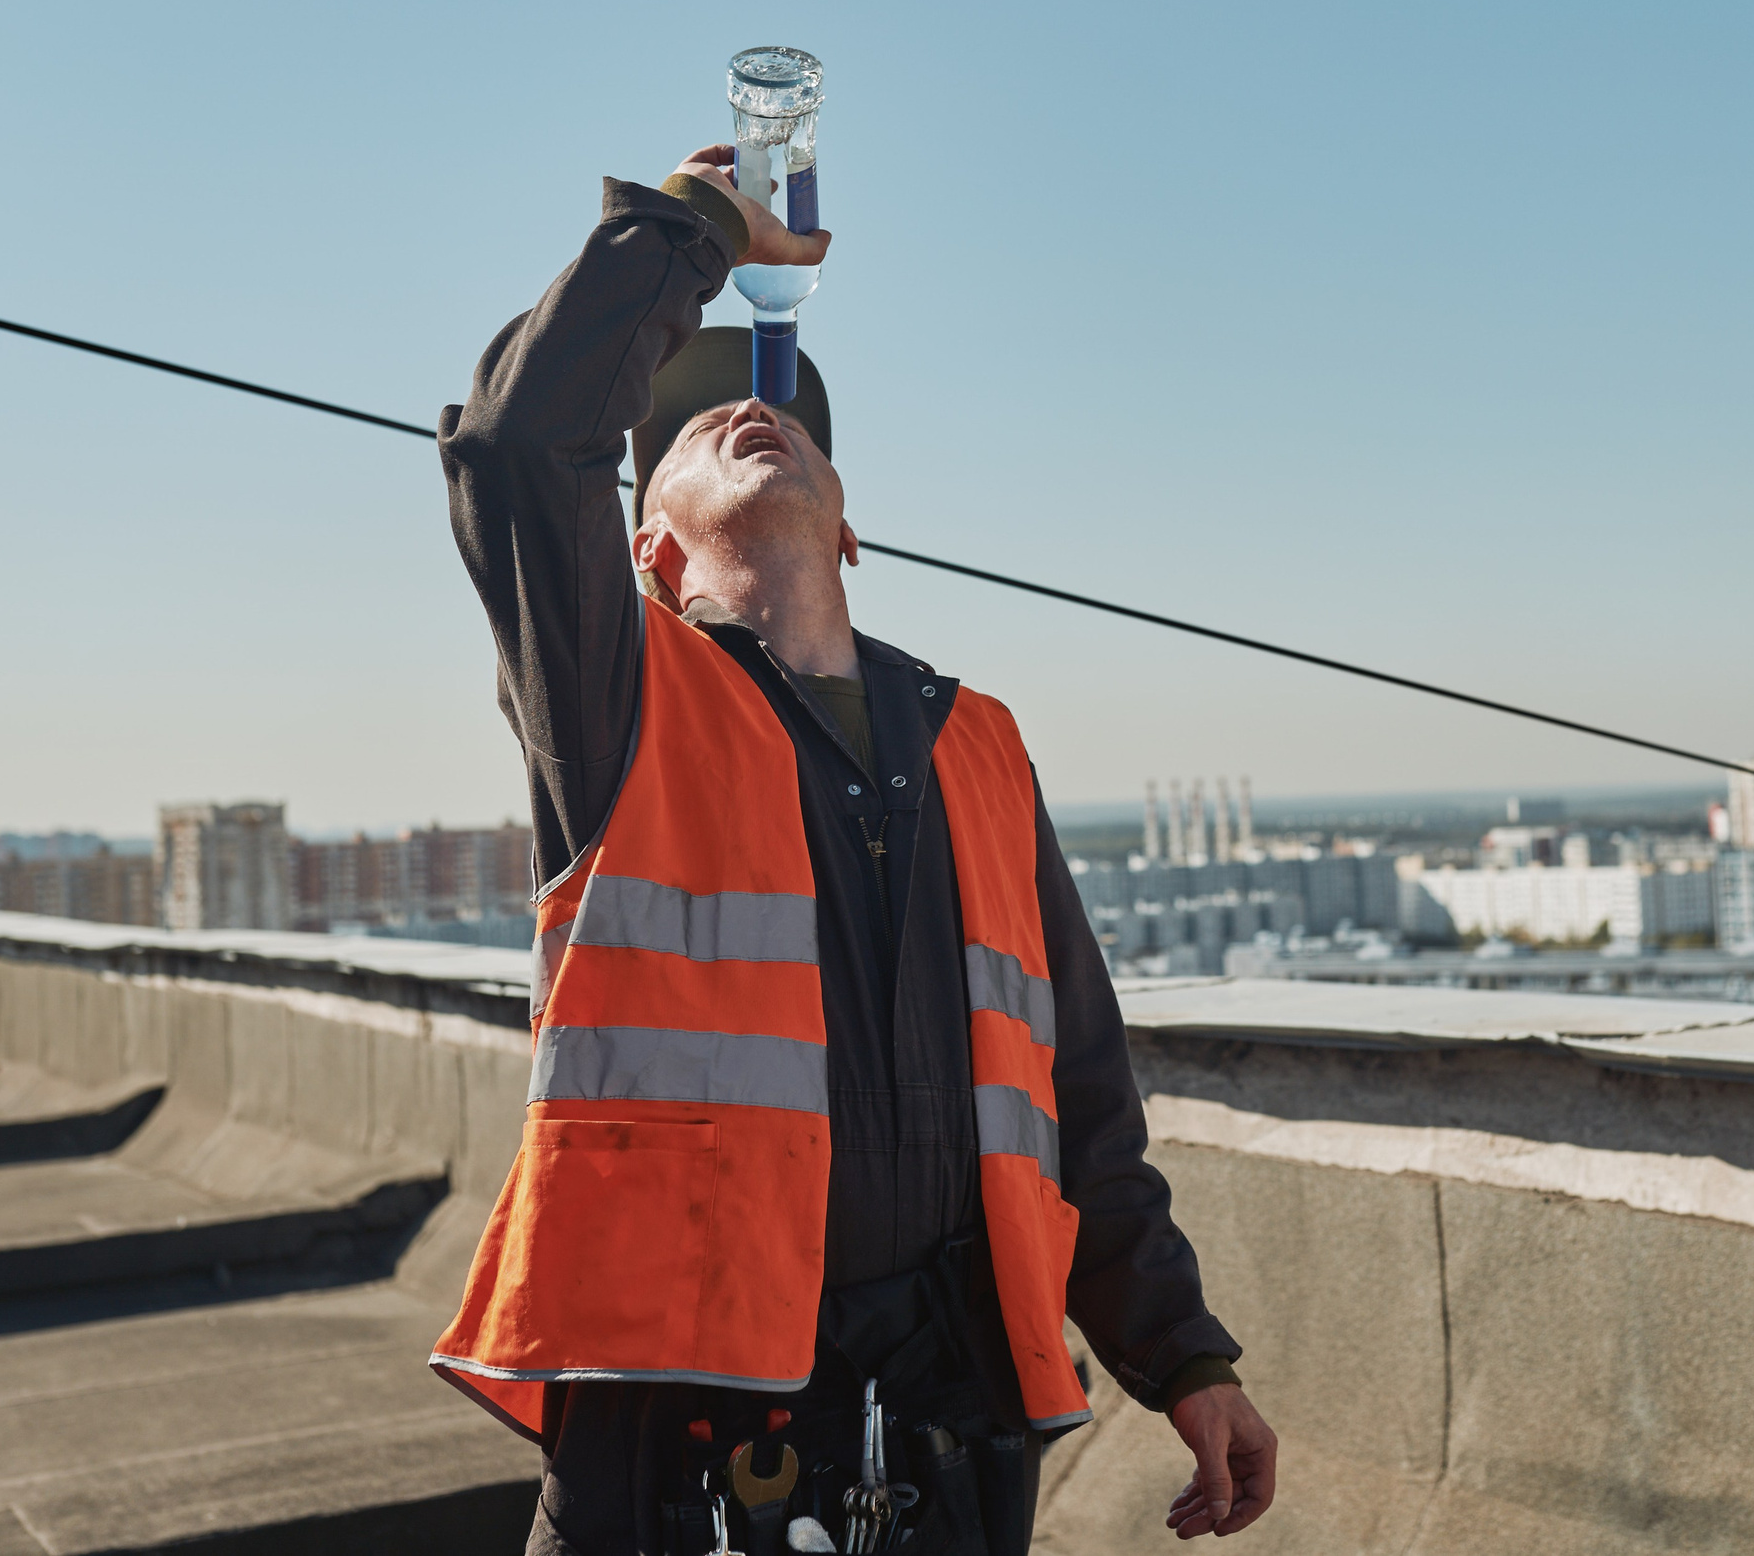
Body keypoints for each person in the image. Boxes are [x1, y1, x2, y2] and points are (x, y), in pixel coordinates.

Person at [429, 140, 1278, 1556]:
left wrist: (1184, 1357)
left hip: (949, 1427)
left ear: (851, 530)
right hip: (679, 1432)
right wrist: (689, 234)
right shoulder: (621, 698)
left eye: (782, 420)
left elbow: (1078, 1095)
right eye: (686, 436)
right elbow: (525, 447)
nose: (744, 417)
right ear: (648, 557)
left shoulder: (979, 746)